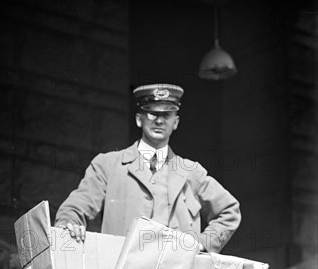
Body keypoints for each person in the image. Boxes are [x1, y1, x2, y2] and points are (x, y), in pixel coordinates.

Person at [55, 83, 241, 252]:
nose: (159, 121)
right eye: (152, 113)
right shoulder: (108, 165)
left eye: (166, 114)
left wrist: (201, 244)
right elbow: (76, 206)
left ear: (175, 122)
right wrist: (69, 223)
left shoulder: (191, 172)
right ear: (139, 119)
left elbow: (229, 211)